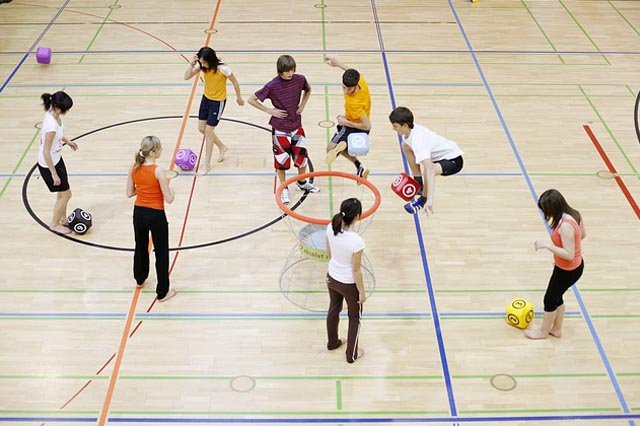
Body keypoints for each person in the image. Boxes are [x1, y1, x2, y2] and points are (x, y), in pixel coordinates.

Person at [248, 54, 319, 205]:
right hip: (280, 129)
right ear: (280, 70)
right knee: (281, 161)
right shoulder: (272, 85)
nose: (290, 73)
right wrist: (269, 111)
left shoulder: (300, 79)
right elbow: (251, 99)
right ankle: (283, 188)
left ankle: (301, 183)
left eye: (292, 70)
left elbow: (308, 90)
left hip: (296, 126)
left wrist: (303, 105)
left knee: (302, 157)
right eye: (287, 71)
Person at [525, 189, 586, 339]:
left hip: (568, 270)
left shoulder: (565, 226)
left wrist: (547, 245)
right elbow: (582, 235)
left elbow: (569, 254)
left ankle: (543, 332)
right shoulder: (574, 214)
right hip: (572, 267)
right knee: (557, 297)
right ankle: (556, 329)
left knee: (550, 300)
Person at [126, 136, 177, 303]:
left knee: (140, 246)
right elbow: (168, 198)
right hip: (155, 214)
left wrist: (143, 189)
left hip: (139, 213)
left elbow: (129, 193)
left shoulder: (134, 167)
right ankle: (163, 292)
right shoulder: (158, 171)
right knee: (161, 252)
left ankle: (139, 278)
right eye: (160, 148)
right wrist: (172, 191)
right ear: (154, 152)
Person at [388, 106, 464, 215]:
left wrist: (430, 200)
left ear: (405, 125)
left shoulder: (418, 141)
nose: (394, 129)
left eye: (395, 126)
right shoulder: (410, 131)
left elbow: (430, 170)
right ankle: (418, 182)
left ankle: (422, 201)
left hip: (453, 161)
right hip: (443, 156)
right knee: (405, 145)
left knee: (428, 170)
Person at [184, 46, 244, 175]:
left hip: (218, 102)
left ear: (211, 60)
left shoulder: (223, 68)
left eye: (205, 62)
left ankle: (207, 164)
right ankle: (222, 147)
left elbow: (235, 82)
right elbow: (186, 77)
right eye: (201, 62)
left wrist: (239, 97)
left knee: (209, 131)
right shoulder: (202, 66)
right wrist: (192, 64)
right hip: (206, 99)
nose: (203, 64)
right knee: (201, 128)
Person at [325, 198, 366, 363]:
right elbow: (356, 270)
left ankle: (332, 343)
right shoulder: (356, 241)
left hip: (331, 277)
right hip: (348, 284)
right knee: (355, 318)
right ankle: (351, 355)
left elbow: (329, 254)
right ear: (357, 216)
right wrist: (362, 292)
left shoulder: (330, 227)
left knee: (334, 309)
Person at [38, 91, 78, 234]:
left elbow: (57, 135)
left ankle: (62, 219)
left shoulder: (53, 114)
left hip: (57, 160)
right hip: (49, 165)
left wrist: (67, 141)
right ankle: (54, 224)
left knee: (62, 193)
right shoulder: (51, 126)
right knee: (67, 194)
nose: (67, 111)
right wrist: (53, 173)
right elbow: (45, 151)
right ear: (57, 106)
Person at [324, 56, 371, 180]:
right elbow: (352, 71)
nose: (345, 91)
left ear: (355, 86)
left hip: (354, 125)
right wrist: (337, 64)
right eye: (343, 87)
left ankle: (347, 150)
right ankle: (359, 166)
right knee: (338, 148)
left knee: (330, 149)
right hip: (355, 122)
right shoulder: (360, 80)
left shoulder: (354, 103)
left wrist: (345, 122)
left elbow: (367, 126)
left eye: (348, 89)